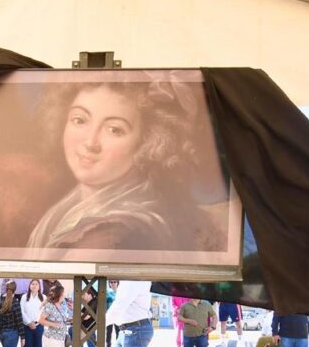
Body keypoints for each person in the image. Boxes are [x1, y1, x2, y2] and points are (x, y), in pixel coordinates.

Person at [25, 79, 226, 253]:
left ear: (147, 142)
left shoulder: (110, 236)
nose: (91, 142)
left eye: (114, 129)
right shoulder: (68, 208)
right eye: (80, 120)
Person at [20, 279, 44, 347]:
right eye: (32, 284)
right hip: (27, 326)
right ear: (29, 286)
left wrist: (36, 322)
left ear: (39, 286)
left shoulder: (43, 297)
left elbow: (43, 312)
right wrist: (29, 322)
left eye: (36, 284)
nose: (34, 286)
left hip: (39, 326)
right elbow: (22, 311)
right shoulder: (24, 297)